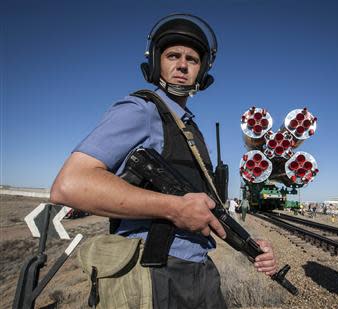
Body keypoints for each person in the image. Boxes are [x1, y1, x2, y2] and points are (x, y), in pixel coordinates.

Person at [50, 13, 277, 309]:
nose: (182, 65)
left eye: (192, 60)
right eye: (173, 55)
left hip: (200, 272)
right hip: (155, 274)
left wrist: (252, 246)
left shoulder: (189, 128)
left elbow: (207, 211)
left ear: (202, 71)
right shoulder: (141, 110)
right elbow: (69, 185)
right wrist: (174, 208)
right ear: (156, 62)